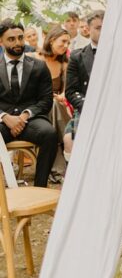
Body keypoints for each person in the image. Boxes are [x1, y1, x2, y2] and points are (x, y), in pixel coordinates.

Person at [0, 19, 60, 187]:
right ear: (1, 41)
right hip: (2, 122)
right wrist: (5, 117)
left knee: (50, 134)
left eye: (20, 37)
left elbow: (46, 100)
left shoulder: (39, 66)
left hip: (31, 120)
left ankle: (40, 187)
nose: (18, 42)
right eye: (11, 39)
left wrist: (25, 115)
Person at [29, 27, 72, 180]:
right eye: (63, 41)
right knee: (52, 105)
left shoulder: (64, 63)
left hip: (56, 106)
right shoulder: (33, 57)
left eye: (68, 42)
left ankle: (57, 167)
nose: (66, 45)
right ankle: (59, 166)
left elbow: (66, 91)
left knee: (55, 105)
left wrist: (61, 96)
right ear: (52, 40)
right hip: (36, 107)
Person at [65, 10, 104, 161]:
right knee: (70, 140)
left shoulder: (120, 56)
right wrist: (89, 107)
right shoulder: (77, 56)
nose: (103, 31)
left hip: (114, 108)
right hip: (87, 108)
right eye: (98, 28)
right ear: (88, 29)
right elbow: (70, 91)